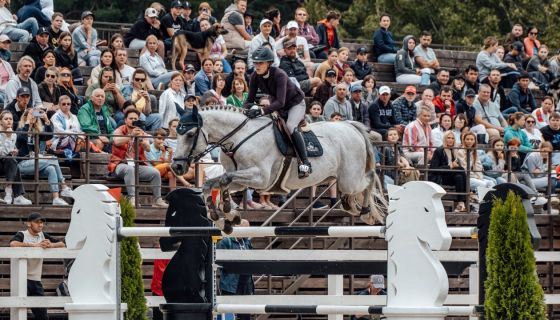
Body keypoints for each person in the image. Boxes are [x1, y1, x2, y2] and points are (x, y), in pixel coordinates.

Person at [243, 47, 311, 178]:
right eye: (255, 63)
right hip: (278, 105)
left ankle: (305, 163)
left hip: (295, 103)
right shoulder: (254, 76)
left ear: (269, 63)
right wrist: (247, 110)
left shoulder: (279, 74)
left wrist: (261, 110)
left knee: (291, 126)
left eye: (260, 63)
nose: (257, 66)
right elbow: (249, 100)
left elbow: (281, 102)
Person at [109, 107, 169, 207]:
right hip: (119, 164)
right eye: (131, 118)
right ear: (125, 120)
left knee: (155, 172)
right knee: (129, 170)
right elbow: (117, 141)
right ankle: (132, 198)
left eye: (135, 119)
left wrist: (143, 141)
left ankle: (157, 200)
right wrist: (131, 136)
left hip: (136, 164)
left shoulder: (140, 131)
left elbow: (148, 149)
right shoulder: (120, 130)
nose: (133, 120)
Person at [10, 213, 65, 319]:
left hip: (36, 280)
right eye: (37, 222)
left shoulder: (43, 235)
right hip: (22, 280)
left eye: (42, 223)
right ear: (29, 224)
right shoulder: (22, 234)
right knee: (18, 313)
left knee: (43, 316)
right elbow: (13, 244)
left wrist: (51, 245)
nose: (40, 225)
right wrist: (34, 246)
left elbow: (62, 244)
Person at [16, 108, 74, 205]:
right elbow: (21, 137)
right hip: (22, 164)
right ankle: (63, 187)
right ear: (26, 117)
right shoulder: (20, 130)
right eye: (31, 114)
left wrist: (46, 120)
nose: (34, 116)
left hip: (35, 164)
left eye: (35, 114)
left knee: (51, 168)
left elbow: (49, 135)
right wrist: (28, 123)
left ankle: (56, 198)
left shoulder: (36, 132)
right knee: (54, 159)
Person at [216, 218, 255, 320]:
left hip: (246, 283)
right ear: (237, 227)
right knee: (228, 314)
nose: (247, 232)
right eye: (245, 229)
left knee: (245, 314)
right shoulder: (226, 242)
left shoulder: (247, 242)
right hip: (231, 284)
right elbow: (218, 261)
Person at [429, 130, 467, 211]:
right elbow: (433, 169)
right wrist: (449, 167)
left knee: (459, 176)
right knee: (461, 170)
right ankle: (469, 193)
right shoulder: (439, 151)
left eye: (452, 138)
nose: (450, 140)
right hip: (440, 177)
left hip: (451, 177)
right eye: (448, 138)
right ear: (444, 139)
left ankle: (461, 203)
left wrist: (454, 167)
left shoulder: (454, 151)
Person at [0, 110, 32, 204]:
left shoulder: (13, 134)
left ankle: (10, 191)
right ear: (1, 121)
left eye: (11, 119)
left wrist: (14, 151)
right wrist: (7, 137)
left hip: (6, 164)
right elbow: (1, 153)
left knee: (12, 160)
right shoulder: (10, 134)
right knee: (13, 162)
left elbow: (8, 152)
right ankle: (16, 195)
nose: (9, 121)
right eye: (6, 119)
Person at [0, 38, 15, 103]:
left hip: (8, 89)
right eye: (4, 43)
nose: (6, 45)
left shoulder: (6, 64)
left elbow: (13, 77)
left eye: (7, 43)